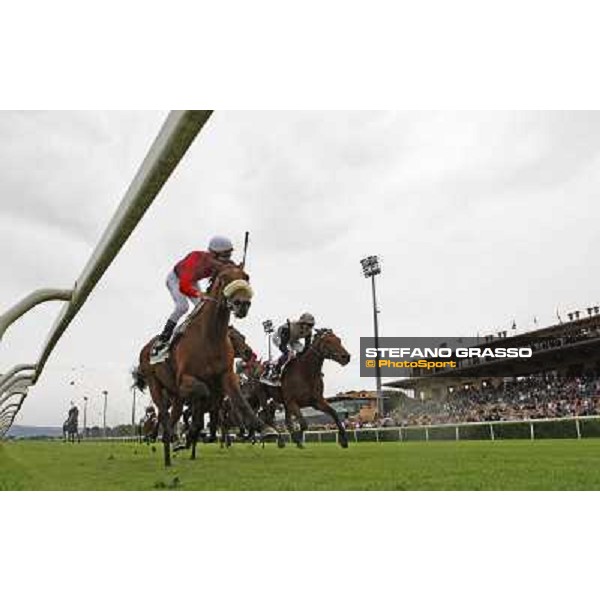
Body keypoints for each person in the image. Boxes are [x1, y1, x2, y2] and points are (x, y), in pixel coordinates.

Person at [151, 235, 235, 357]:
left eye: (229, 256)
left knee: (203, 307)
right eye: (225, 256)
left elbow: (230, 270)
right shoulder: (194, 259)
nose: (227, 260)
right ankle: (163, 339)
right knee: (182, 307)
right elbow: (184, 287)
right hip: (177, 280)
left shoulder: (218, 261)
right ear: (214, 254)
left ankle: (198, 334)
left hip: (192, 280)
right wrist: (199, 294)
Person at [268, 313, 316, 380]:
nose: (308, 327)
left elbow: (307, 347)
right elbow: (283, 345)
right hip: (279, 337)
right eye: (307, 324)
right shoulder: (288, 327)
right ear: (301, 323)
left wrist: (301, 355)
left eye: (310, 325)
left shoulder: (309, 332)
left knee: (303, 351)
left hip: (293, 339)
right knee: (289, 354)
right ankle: (275, 370)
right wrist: (289, 353)